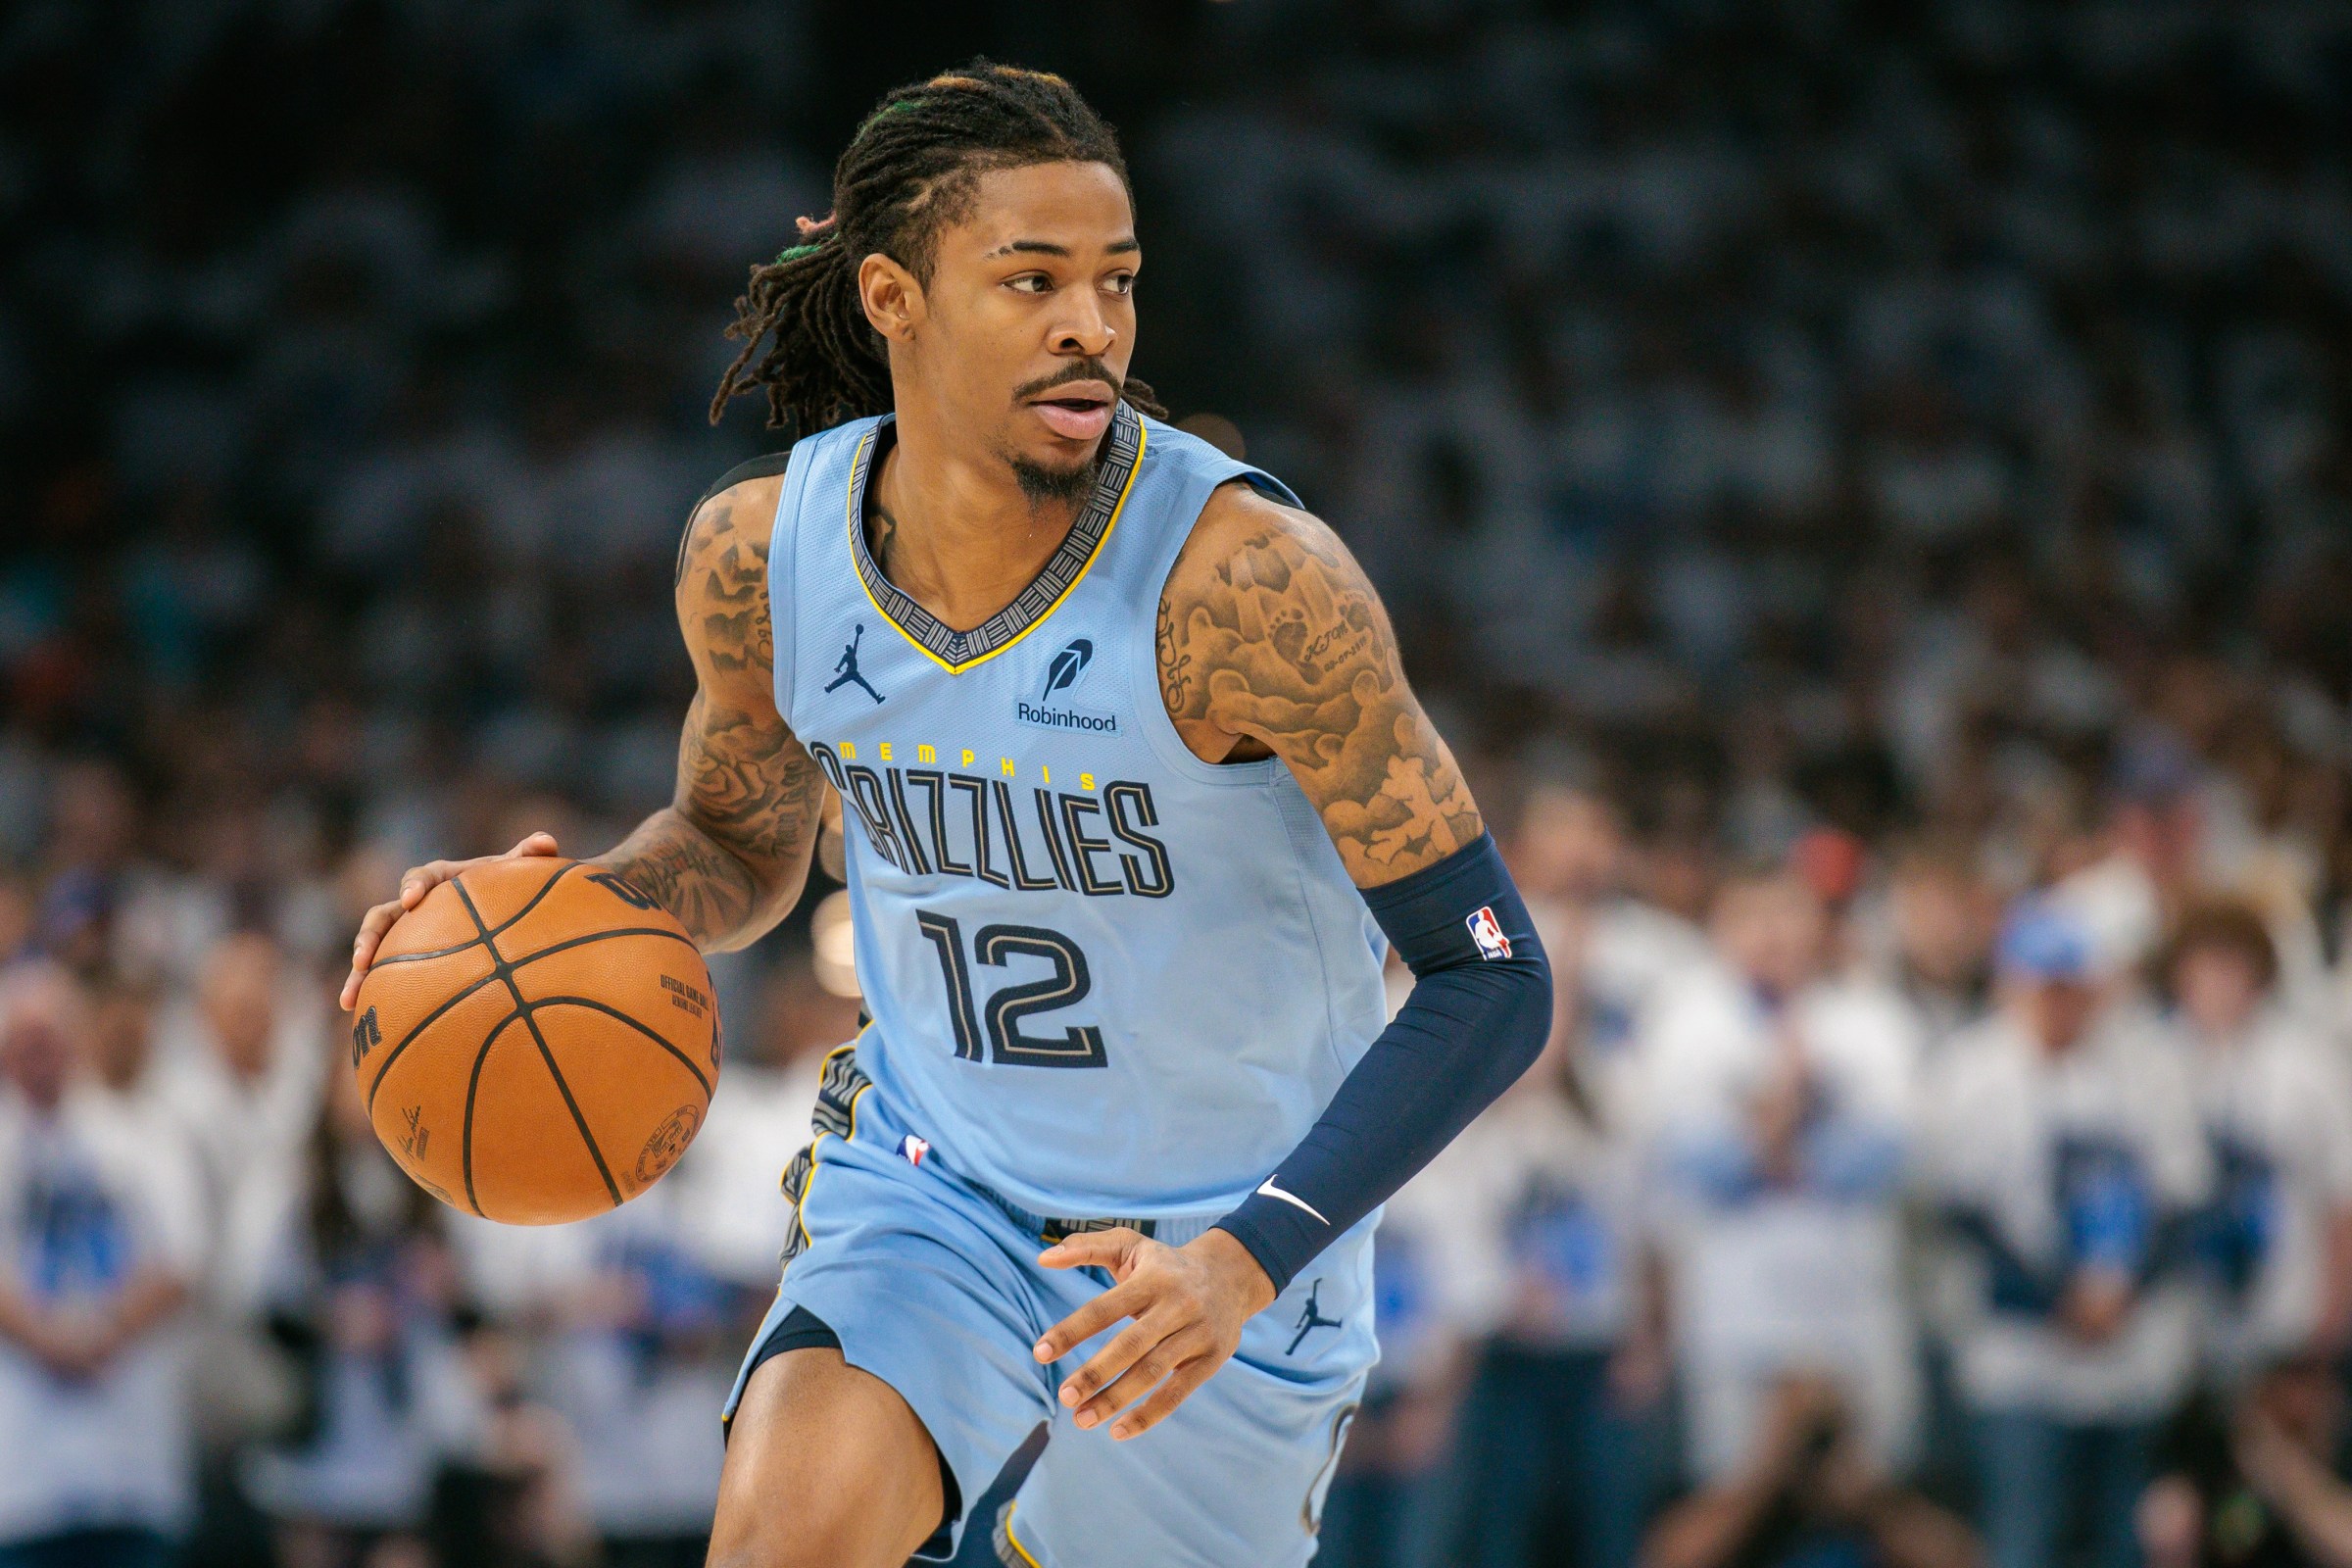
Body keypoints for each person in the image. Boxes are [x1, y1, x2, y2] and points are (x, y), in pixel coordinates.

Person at [340, 62, 1551, 1568]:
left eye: (1115, 281)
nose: (1091, 325)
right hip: (937, 1185)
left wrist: (1245, 1263)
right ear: (891, 300)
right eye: (1030, 278)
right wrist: (562, 910)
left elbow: (1493, 971)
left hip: (1222, 1245)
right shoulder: (760, 556)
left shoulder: (1246, 588)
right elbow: (732, 846)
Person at [1923, 902, 2212, 1568]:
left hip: (2129, 1351)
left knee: (2126, 1542)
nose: (2058, 1002)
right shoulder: (1968, 1070)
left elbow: (2182, 1200)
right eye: (2043, 985)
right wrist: (2059, 1296)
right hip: (2019, 1355)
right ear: (2009, 984)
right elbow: (1961, 1216)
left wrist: (2122, 1290)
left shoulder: (2145, 1065)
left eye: (2071, 985)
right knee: (2024, 1539)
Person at [1641, 862, 1923, 1484]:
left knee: (1869, 1492)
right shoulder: (1687, 1021)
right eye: (1750, 915)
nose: (1770, 934)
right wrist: (1782, 1123)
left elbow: (1883, 1161)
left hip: (1853, 1304)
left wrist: (1771, 1138)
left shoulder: (1872, 1017)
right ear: (1720, 928)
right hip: (1735, 1306)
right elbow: (1697, 1168)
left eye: (1786, 914)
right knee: (1736, 1493)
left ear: (1819, 924)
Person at [0, 962, 204, 1568]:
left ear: (78, 1037)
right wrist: (45, 1339)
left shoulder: (141, 1133)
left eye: (50, 1037)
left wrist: (102, 1333)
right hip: (22, 1471)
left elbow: (183, 1259)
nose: (38, 1055)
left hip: (133, 1463)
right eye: (23, 1040)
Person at [2156, 902, 2352, 1374]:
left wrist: (2334, 1313)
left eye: (2230, 968)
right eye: (2202, 967)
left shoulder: (2306, 1063)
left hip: (2288, 1316)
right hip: (2182, 1331)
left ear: (2260, 975)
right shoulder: (2154, 1058)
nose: (2216, 985)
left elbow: (2343, 1194)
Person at [1642, 1376, 1981, 1568]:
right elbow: (1667, 1559)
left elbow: (1962, 1559)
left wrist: (1868, 1498)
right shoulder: (1736, 1510)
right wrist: (1767, 1476)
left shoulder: (1880, 1511)